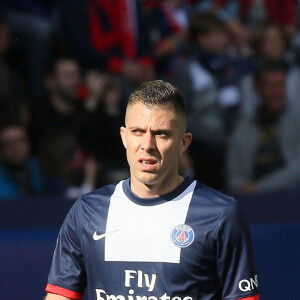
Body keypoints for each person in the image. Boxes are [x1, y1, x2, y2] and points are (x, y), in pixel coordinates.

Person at [44, 80, 259, 300]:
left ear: (183, 143)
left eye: (161, 134)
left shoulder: (219, 215)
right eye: (137, 131)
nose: (147, 144)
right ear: (124, 136)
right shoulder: (88, 212)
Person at [227, 61, 300, 193]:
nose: (277, 92)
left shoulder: (297, 120)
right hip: (254, 201)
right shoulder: (243, 128)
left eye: (281, 85)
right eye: (270, 86)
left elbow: (297, 170)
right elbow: (233, 175)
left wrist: (260, 188)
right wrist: (244, 187)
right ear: (257, 89)